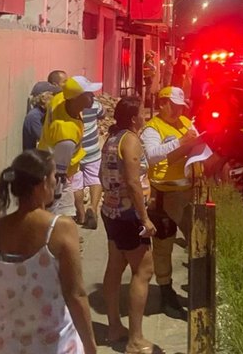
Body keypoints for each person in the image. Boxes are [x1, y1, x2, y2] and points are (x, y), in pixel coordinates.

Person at [0, 150, 97, 354]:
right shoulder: (60, 229)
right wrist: (91, 347)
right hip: (54, 347)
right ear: (42, 183)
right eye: (53, 177)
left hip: (5, 347)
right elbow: (76, 295)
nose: (55, 182)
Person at [140, 86, 205, 318]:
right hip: (164, 194)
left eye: (181, 106)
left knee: (198, 242)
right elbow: (152, 155)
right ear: (163, 104)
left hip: (188, 192)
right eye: (174, 105)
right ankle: (166, 293)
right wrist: (181, 142)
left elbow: (195, 141)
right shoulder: (151, 129)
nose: (178, 110)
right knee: (163, 245)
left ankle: (199, 290)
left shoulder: (186, 122)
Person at [100, 97, 158, 351]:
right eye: (142, 112)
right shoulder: (131, 140)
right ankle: (135, 339)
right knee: (143, 271)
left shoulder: (113, 139)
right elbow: (133, 183)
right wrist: (144, 217)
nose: (145, 116)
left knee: (116, 264)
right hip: (128, 215)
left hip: (111, 211)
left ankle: (114, 327)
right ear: (134, 118)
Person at [38, 76, 102, 218]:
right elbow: (58, 175)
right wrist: (53, 203)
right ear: (75, 98)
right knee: (59, 215)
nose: (93, 96)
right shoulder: (66, 134)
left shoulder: (61, 99)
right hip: (57, 175)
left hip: (51, 162)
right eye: (88, 94)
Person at [73, 98, 106, 229]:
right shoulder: (94, 105)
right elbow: (103, 113)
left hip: (75, 151)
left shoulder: (70, 105)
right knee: (95, 179)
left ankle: (81, 215)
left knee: (76, 183)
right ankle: (93, 207)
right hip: (92, 149)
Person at [23, 82, 61, 150]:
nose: (56, 97)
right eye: (53, 95)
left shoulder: (45, 113)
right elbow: (47, 142)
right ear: (43, 98)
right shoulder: (34, 116)